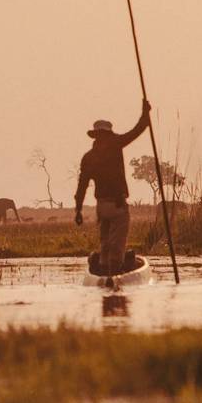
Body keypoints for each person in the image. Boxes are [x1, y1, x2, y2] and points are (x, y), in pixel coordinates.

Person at [74, 99, 152, 284]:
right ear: (107, 134)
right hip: (117, 206)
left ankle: (103, 268)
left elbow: (82, 186)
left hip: (101, 206)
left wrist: (78, 210)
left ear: (95, 136)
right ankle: (114, 274)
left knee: (106, 242)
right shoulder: (115, 144)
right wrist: (145, 113)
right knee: (117, 244)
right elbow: (138, 130)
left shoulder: (89, 157)